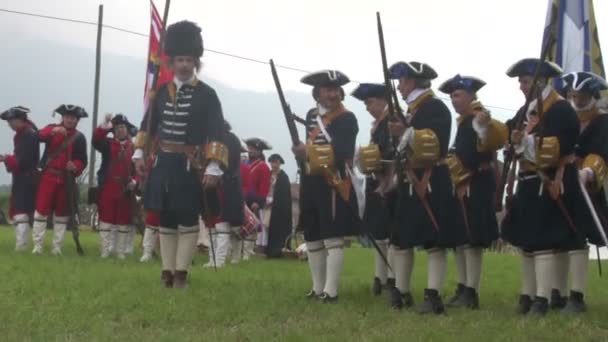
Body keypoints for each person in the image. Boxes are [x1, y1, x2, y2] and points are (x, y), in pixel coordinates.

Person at [133, 20, 227, 288]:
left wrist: (213, 167)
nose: (184, 65)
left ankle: (182, 273)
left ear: (196, 62)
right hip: (163, 162)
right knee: (165, 218)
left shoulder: (208, 95)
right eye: (179, 60)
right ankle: (167, 272)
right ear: (171, 63)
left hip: (190, 165)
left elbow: (217, 132)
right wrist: (140, 152)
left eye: (189, 60)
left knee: (186, 218)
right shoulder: (160, 92)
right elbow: (148, 125)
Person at [501, 58, 580, 316]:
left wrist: (523, 142)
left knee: (543, 242)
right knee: (527, 242)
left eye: (524, 81)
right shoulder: (527, 110)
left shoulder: (560, 110)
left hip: (548, 181)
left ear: (539, 81)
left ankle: (543, 300)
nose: (521, 86)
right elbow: (509, 137)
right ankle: (528, 295)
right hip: (527, 182)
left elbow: (555, 149)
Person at [387, 61, 467, 313]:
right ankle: (401, 291)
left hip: (432, 179)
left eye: (402, 81)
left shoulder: (435, 108)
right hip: (410, 178)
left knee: (435, 241)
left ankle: (433, 295)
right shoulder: (411, 109)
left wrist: (406, 131)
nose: (399, 87)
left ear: (412, 81)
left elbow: (434, 145)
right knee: (402, 239)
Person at [438, 75, 507, 309]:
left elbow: (489, 143)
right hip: (461, 183)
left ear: (471, 95)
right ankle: (462, 286)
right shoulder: (464, 121)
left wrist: (483, 128)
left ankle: (471, 291)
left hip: (476, 183)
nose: (453, 100)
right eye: (451, 96)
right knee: (460, 239)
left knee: (472, 240)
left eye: (457, 95)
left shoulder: (480, 119)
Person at [292, 70, 360, 303]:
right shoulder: (312, 115)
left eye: (335, 90)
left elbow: (342, 152)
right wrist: (303, 155)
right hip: (311, 179)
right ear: (317, 93)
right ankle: (317, 287)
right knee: (312, 236)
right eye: (327, 89)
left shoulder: (347, 118)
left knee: (332, 237)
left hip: (332, 180)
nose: (332, 94)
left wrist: (307, 152)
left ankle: (331, 291)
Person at [559, 71, 608, 313]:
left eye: (582, 96)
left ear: (593, 95)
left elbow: (601, 152)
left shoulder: (602, 121)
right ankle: (556, 292)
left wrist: (588, 171)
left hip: (586, 185)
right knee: (557, 237)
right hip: (559, 182)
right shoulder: (565, 117)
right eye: (573, 95)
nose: (577, 100)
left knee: (578, 237)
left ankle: (576, 296)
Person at [350, 83, 395, 295]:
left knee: (390, 234)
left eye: (370, 102)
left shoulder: (392, 122)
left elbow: (392, 152)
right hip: (376, 180)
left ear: (382, 101)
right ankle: (380, 276)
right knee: (379, 233)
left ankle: (392, 278)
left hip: (390, 182)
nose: (367, 107)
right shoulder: (378, 124)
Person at [33, 105, 88, 255]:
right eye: (67, 117)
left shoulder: (79, 137)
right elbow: (37, 136)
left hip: (65, 180)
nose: (70, 120)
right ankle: (37, 246)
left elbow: (83, 160)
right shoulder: (52, 129)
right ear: (63, 118)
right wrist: (53, 131)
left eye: (73, 118)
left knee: (62, 215)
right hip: (48, 177)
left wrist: (75, 165)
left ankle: (56, 248)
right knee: (41, 212)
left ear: (77, 120)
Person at [92, 113, 137, 259]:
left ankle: (121, 252)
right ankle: (105, 251)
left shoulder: (135, 148)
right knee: (106, 220)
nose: (120, 130)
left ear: (127, 129)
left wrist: (134, 182)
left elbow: (138, 170)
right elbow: (96, 140)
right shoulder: (107, 144)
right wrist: (105, 125)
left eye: (123, 127)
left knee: (123, 221)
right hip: (108, 187)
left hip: (125, 189)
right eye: (117, 128)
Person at [203, 121, 244, 268]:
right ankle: (212, 259)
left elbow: (230, 165)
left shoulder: (230, 140)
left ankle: (219, 261)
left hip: (225, 186)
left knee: (222, 225)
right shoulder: (210, 140)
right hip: (211, 187)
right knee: (211, 224)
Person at [0, 106, 39, 251]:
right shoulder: (26, 133)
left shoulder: (27, 134)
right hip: (25, 178)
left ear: (20, 119)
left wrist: (7, 159)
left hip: (26, 179)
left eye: (11, 120)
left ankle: (21, 247)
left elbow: (22, 161)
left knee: (21, 213)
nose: (9, 124)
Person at [244, 137, 272, 259]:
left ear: (259, 151)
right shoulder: (244, 163)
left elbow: (264, 187)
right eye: (249, 149)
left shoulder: (263, 167)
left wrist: (259, 201)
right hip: (242, 199)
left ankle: (247, 252)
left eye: (252, 149)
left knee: (251, 228)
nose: (250, 151)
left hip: (253, 202)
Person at [265, 153, 293, 258]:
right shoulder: (267, 174)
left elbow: (284, 195)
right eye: (272, 162)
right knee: (265, 227)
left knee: (278, 227)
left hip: (279, 208)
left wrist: (275, 201)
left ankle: (278, 249)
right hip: (266, 205)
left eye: (276, 162)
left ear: (280, 163)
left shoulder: (284, 177)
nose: (274, 164)